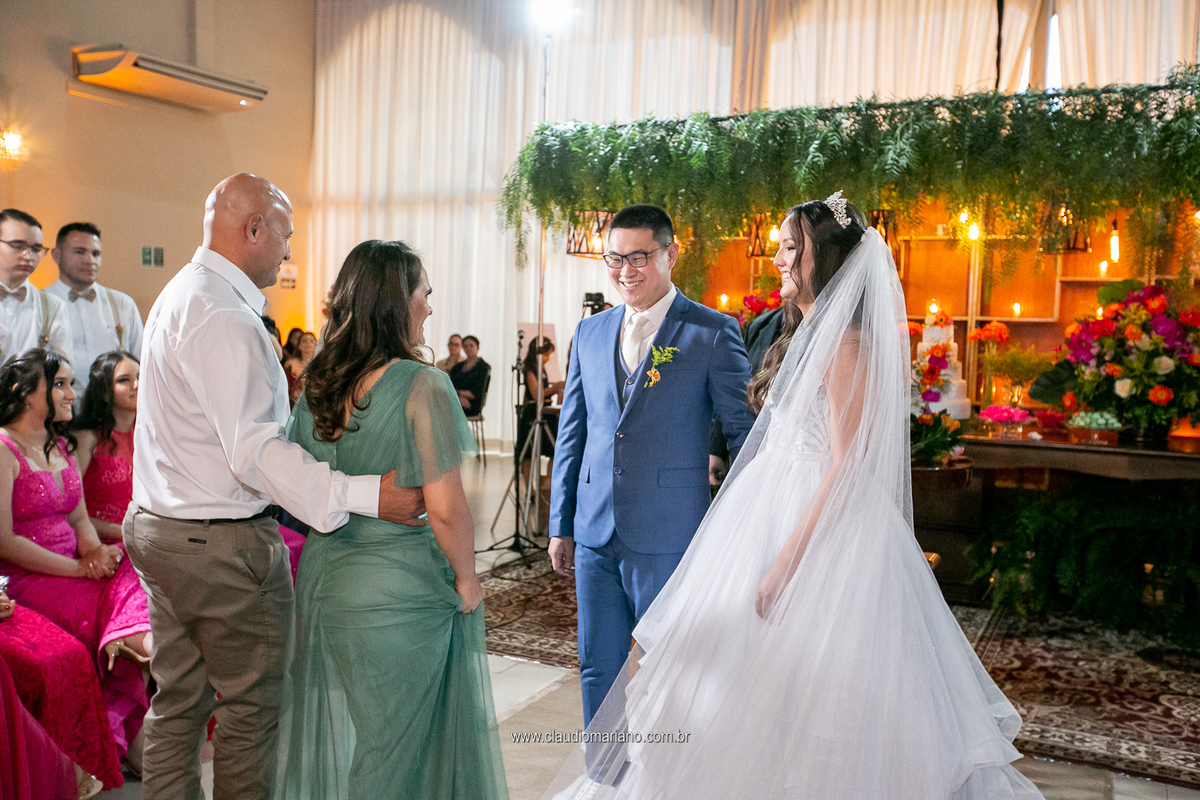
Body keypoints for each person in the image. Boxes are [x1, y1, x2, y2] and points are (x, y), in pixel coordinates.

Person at [542, 197, 1044, 800]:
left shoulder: (845, 344)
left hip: (809, 524)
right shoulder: (800, 334)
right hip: (761, 510)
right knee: (727, 687)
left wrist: (785, 561)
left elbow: (845, 463)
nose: (777, 258)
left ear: (820, 258)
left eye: (789, 247)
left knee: (804, 692)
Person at [124, 173, 424, 800]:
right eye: (284, 235)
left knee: (178, 701)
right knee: (251, 711)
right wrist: (368, 494)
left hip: (160, 527)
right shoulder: (224, 316)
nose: (288, 251)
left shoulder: (182, 291)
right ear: (253, 228)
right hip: (217, 544)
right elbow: (253, 453)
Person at [275, 239, 507, 797]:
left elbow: (295, 483)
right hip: (396, 588)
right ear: (396, 302)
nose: (430, 305)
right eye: (424, 293)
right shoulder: (423, 384)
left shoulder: (319, 382)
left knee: (372, 732)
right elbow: (446, 508)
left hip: (327, 582)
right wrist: (468, 579)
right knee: (396, 749)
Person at [548, 204, 756, 727]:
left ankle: (661, 766)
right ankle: (605, 768)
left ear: (671, 254)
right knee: (597, 666)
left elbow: (744, 433)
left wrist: (742, 523)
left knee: (671, 666)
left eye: (639, 257)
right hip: (594, 531)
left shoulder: (711, 332)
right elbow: (572, 435)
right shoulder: (589, 333)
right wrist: (560, 524)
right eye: (614, 259)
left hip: (670, 530)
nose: (625, 271)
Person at [0, 350, 151, 770]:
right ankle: (128, 731)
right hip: (29, 576)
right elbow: (4, 541)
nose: (72, 394)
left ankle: (130, 726)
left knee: (138, 570)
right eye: (60, 385)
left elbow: (79, 517)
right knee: (112, 611)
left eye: (71, 384)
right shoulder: (3, 449)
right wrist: (78, 568)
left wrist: (94, 551)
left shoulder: (59, 444)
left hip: (74, 565)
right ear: (24, 392)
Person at [46, 223, 144, 400]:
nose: (89, 260)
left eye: (95, 254)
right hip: (58, 406)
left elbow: (140, 360)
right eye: (79, 252)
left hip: (111, 408)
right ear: (56, 255)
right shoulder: (43, 304)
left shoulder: (122, 304)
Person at [73, 351, 139, 542]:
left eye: (140, 377)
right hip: (100, 543)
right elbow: (69, 513)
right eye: (124, 380)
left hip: (143, 538)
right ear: (104, 391)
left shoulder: (149, 434)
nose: (136, 385)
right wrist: (130, 535)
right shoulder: (88, 438)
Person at [0, 210, 73, 365]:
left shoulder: (53, 307)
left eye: (36, 249)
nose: (28, 256)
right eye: (17, 246)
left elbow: (62, 369)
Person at [517, 336, 563, 460]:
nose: (547, 359)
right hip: (533, 413)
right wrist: (554, 388)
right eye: (545, 355)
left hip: (546, 412)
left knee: (554, 451)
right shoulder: (530, 370)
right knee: (528, 454)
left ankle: (550, 474)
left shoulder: (542, 369)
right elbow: (537, 394)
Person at [448, 335, 489, 417]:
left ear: (478, 347)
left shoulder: (483, 367)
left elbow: (477, 393)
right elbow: (449, 386)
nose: (468, 348)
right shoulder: (457, 367)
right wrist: (459, 397)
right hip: (455, 399)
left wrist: (458, 394)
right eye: (466, 346)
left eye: (471, 345)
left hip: (472, 404)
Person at [282, 331, 316, 406]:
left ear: (316, 345)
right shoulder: (291, 364)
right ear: (299, 346)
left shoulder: (320, 366)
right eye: (304, 341)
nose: (308, 344)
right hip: (295, 405)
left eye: (311, 341)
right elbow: (285, 388)